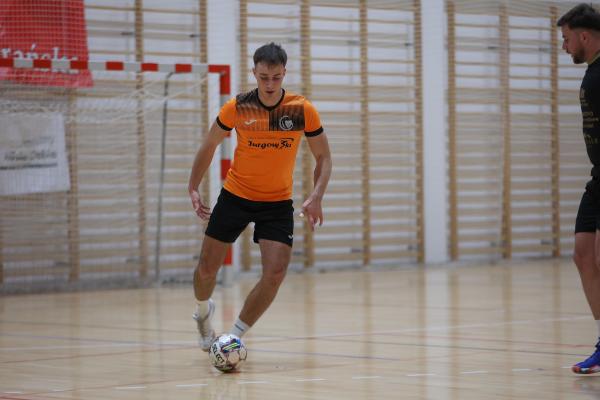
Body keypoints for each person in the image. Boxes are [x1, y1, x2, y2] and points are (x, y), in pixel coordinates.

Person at [187, 42, 332, 351]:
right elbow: (210, 144)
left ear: (284, 74)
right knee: (206, 269)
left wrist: (317, 195)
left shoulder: (301, 109)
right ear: (254, 72)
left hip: (277, 203)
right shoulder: (238, 107)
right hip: (236, 196)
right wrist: (193, 186)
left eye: (276, 77)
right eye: (264, 77)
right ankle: (202, 312)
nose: (269, 84)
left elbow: (324, 156)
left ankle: (232, 338)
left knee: (275, 273)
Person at [557, 3, 600, 374]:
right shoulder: (591, 72)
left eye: (566, 38)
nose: (564, 46)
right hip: (597, 179)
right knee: (583, 256)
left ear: (584, 36)